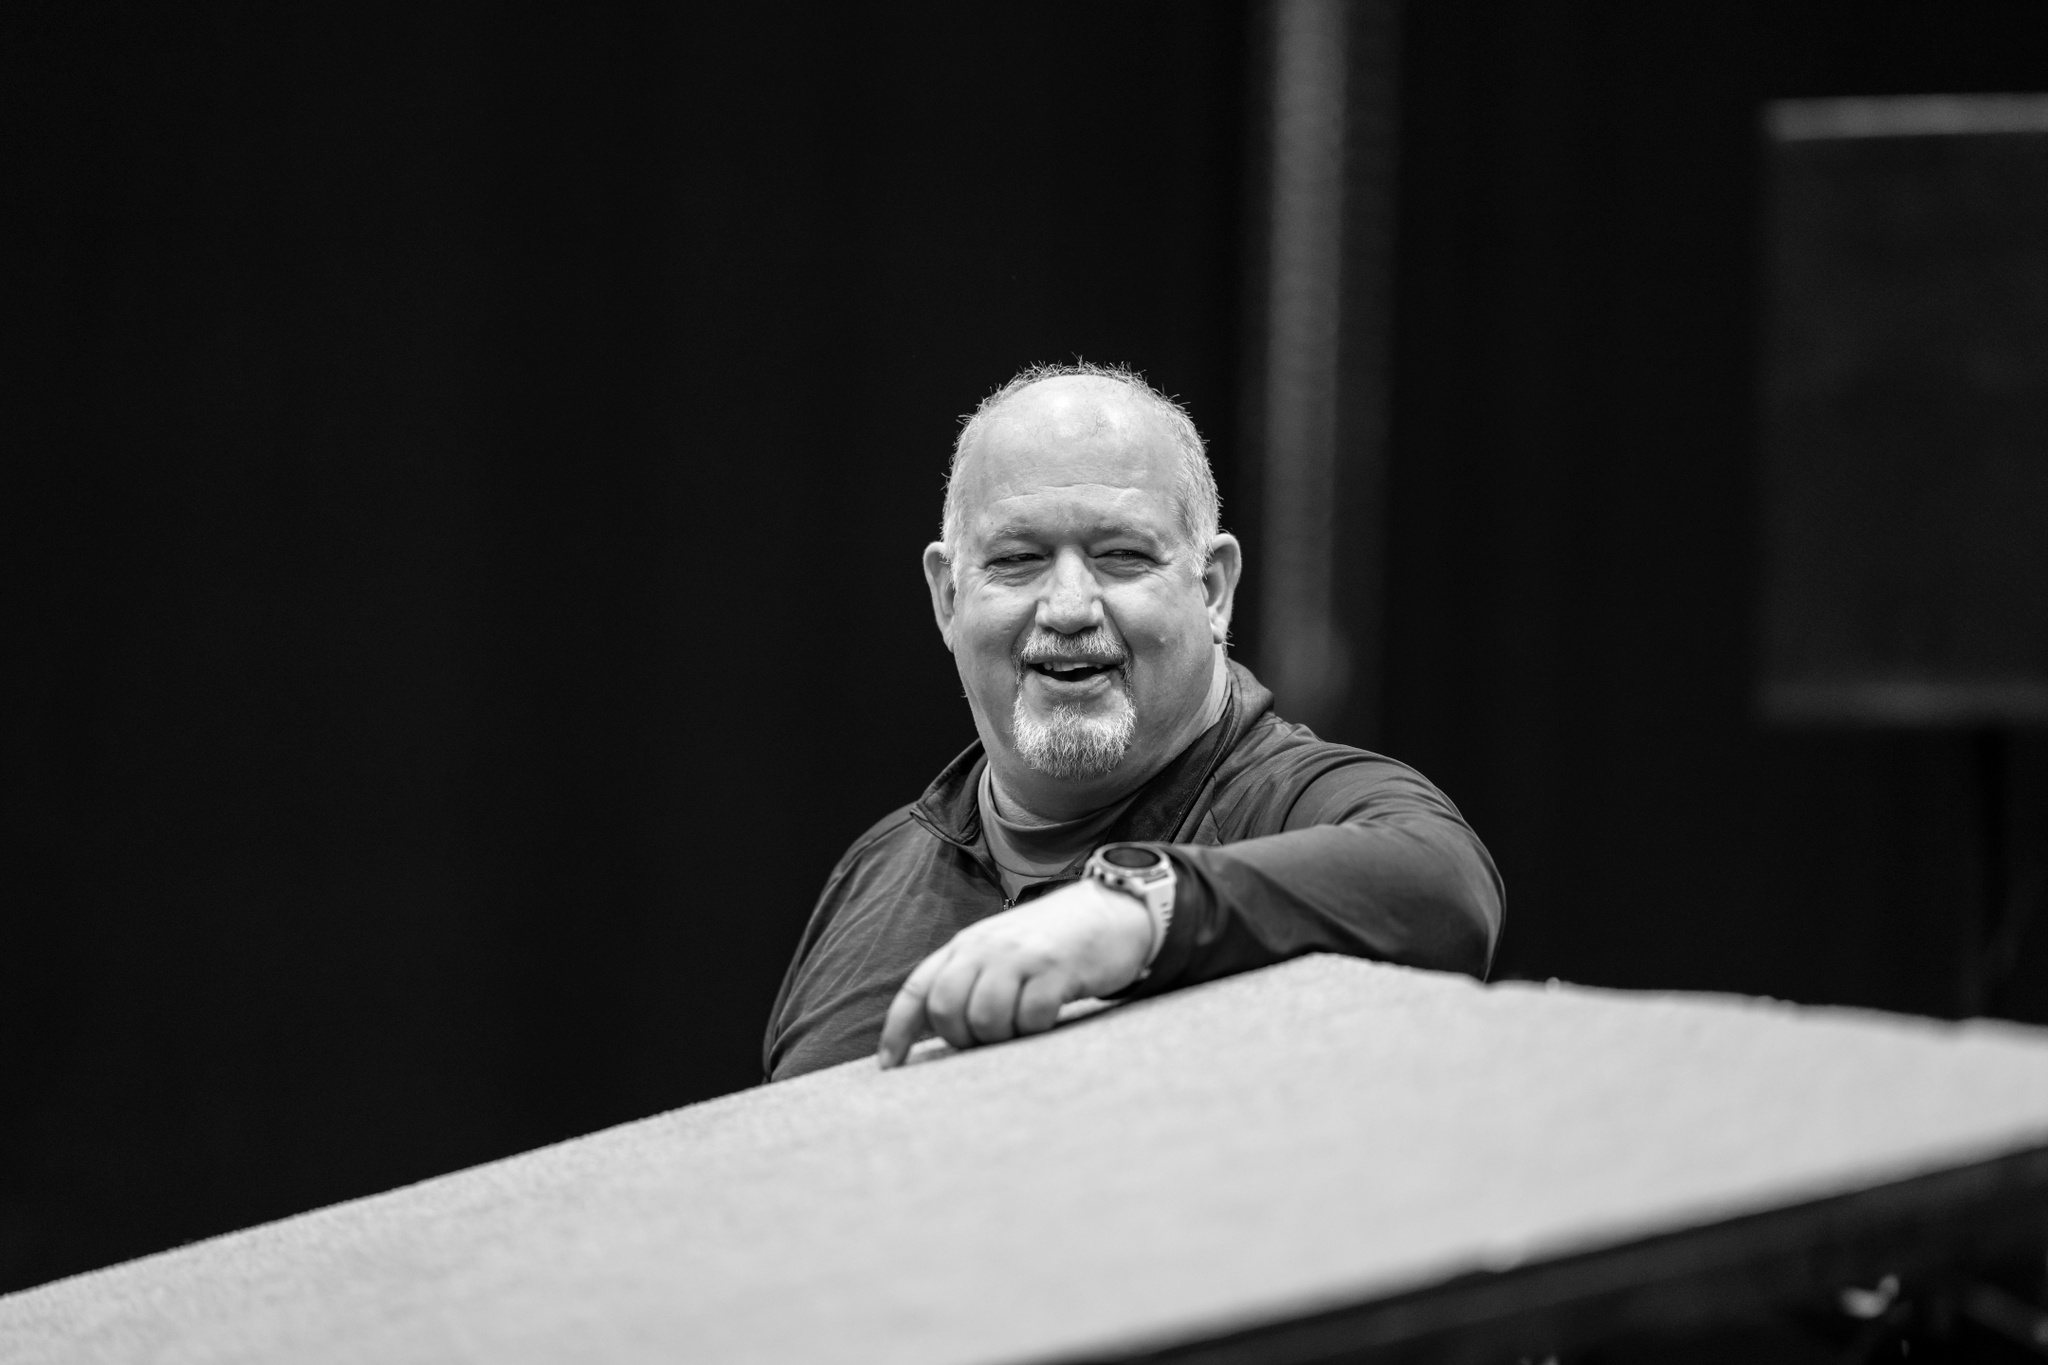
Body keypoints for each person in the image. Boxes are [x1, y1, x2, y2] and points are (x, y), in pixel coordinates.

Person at [763, 363, 1503, 1080]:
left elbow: (1445, 886)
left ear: (1212, 590)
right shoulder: (873, 876)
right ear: (947, 599)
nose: (1069, 607)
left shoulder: (1290, 803)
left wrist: (1138, 909)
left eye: (1120, 556)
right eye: (1018, 559)